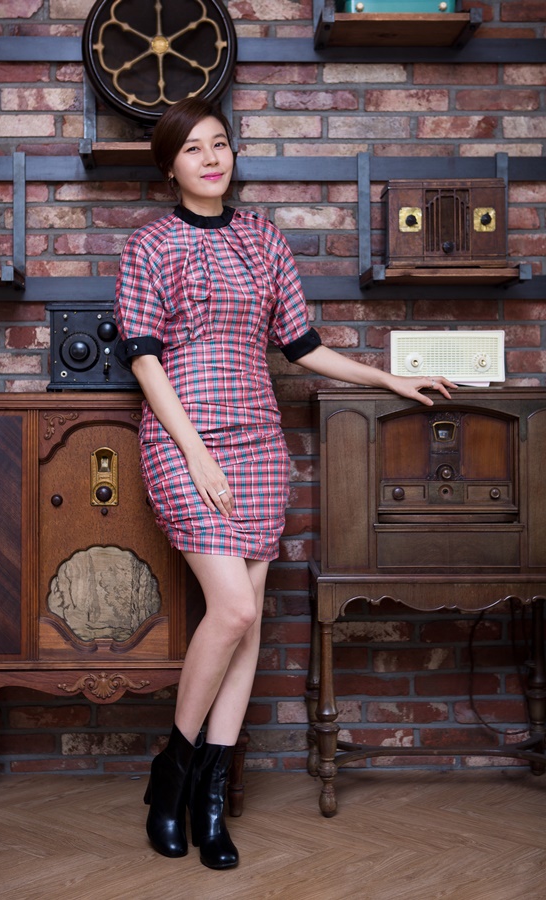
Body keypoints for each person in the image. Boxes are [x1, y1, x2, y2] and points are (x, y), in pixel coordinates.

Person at [114, 96, 456, 870]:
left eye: (220, 143)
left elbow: (300, 346)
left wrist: (387, 378)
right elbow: (144, 359)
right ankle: (172, 776)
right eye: (193, 148)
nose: (211, 157)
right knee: (232, 608)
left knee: (249, 622)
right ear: (169, 167)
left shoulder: (264, 239)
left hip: (260, 445)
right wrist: (195, 453)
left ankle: (208, 800)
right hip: (186, 441)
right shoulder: (150, 245)